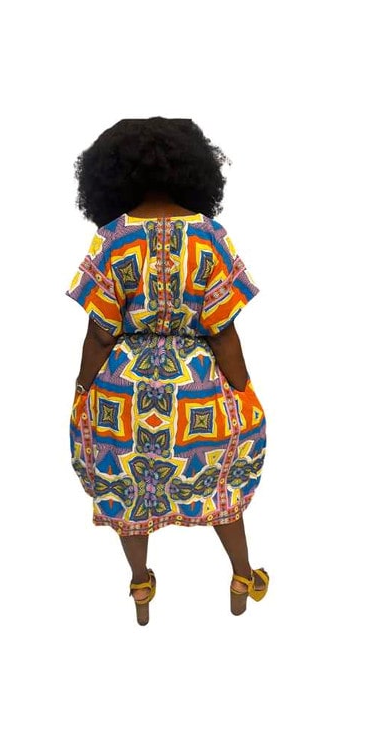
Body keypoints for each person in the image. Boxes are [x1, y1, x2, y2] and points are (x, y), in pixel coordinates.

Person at [66, 117, 268, 625]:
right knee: (222, 484)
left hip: (123, 399)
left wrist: (82, 388)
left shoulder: (112, 239)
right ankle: (242, 575)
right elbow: (223, 332)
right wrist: (244, 390)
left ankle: (140, 585)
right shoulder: (210, 237)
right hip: (197, 395)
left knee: (128, 495)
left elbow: (100, 334)